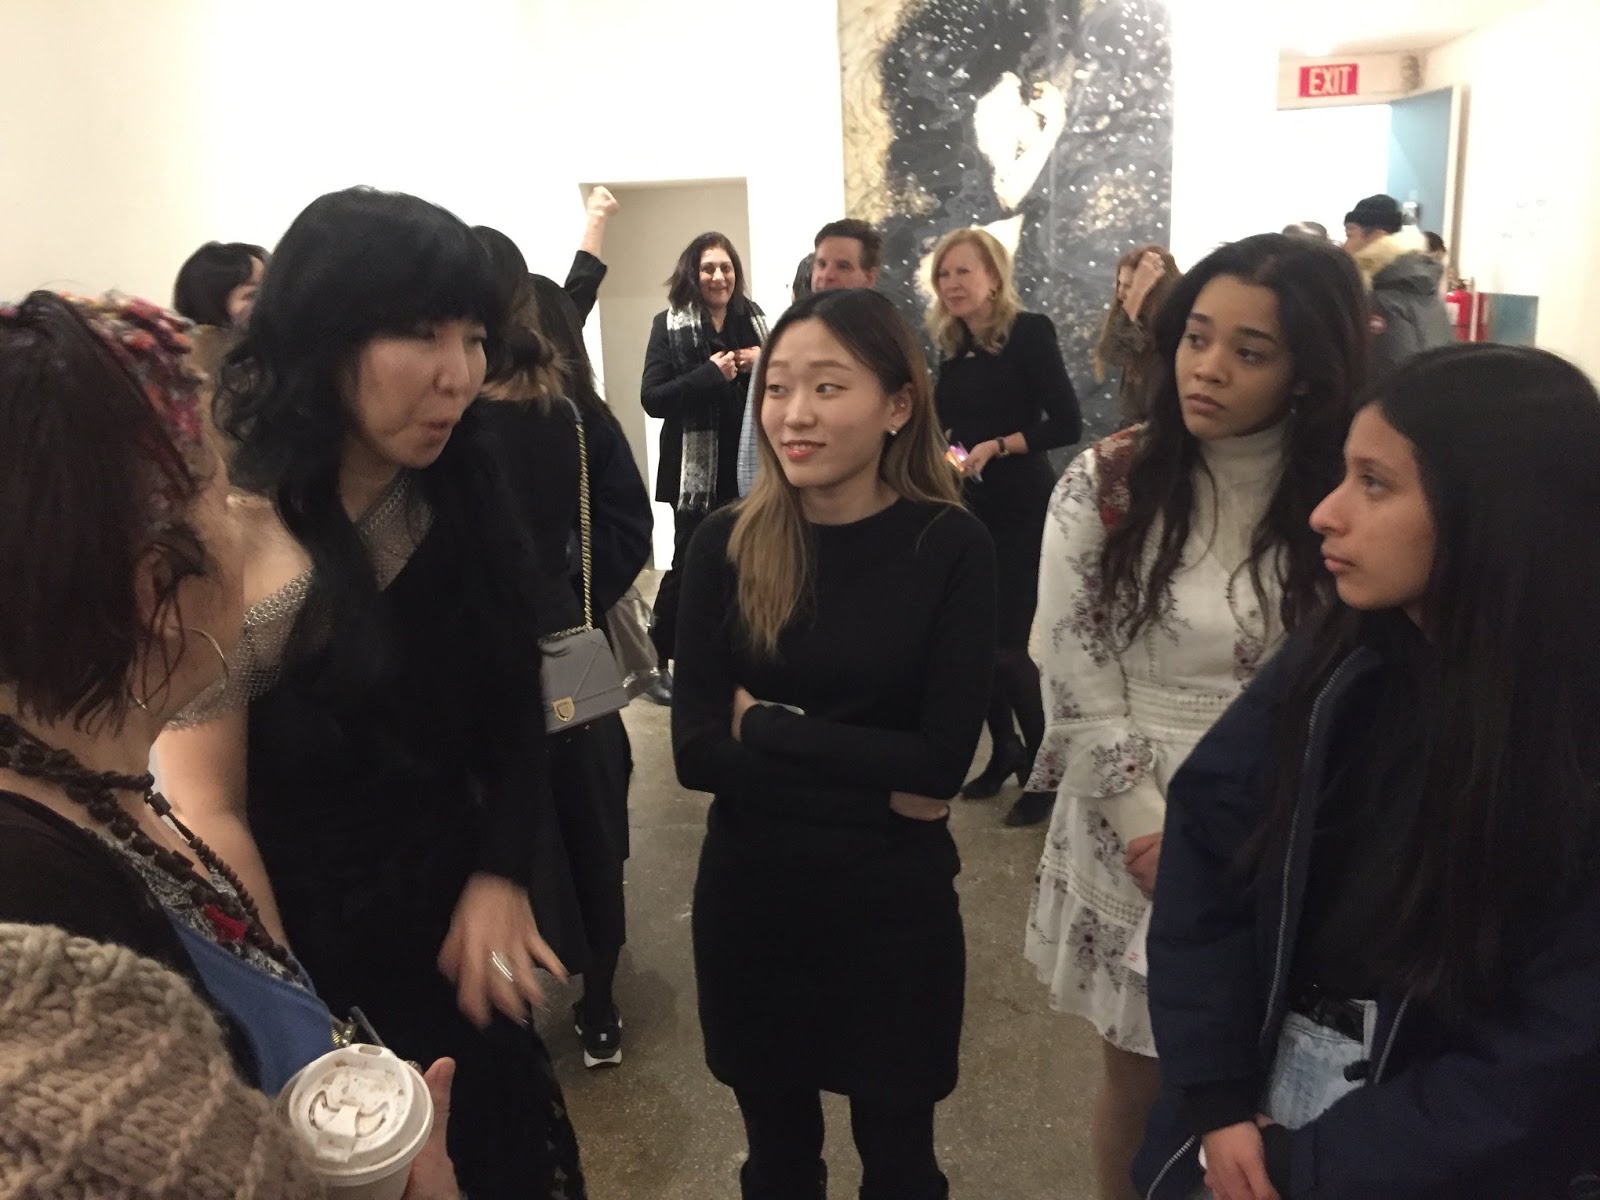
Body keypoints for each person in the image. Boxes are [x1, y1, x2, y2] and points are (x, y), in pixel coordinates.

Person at [155, 188, 585, 1199]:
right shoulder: (223, 541)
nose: (458, 373)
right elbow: (208, 811)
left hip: (454, 930)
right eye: (419, 334)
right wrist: (301, 1032)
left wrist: (501, 872)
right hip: (307, 953)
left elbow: (516, 704)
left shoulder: (459, 487)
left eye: (472, 337)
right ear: (321, 337)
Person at [0, 290, 460, 1198]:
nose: (248, 516)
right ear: (155, 588)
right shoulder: (41, 904)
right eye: (222, 494)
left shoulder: (90, 795)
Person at [1135, 344, 1600, 1199]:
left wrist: (1311, 1167)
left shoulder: (1566, 739)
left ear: (1490, 510)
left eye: (1375, 484)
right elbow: (1211, 847)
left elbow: (1554, 1053)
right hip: (1265, 1095)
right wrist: (1216, 1097)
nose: (1326, 512)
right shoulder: (1338, 664)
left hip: (1436, 1155)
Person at [1024, 233, 1368, 1200]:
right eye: (1196, 338)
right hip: (1138, 811)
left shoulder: (1344, 489)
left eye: (1249, 352)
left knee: (1293, 1083)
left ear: (1308, 371)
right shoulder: (1110, 480)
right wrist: (1154, 833)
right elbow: (1075, 666)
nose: (1207, 368)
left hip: (1297, 820)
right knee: (1147, 1079)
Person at [673, 287, 996, 1200]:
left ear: (898, 405)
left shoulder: (951, 546)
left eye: (827, 386)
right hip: (755, 902)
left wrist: (765, 727)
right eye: (777, 388)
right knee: (778, 1163)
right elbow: (695, 751)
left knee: (900, 1163)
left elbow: (941, 764)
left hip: (891, 913)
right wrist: (878, 781)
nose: (794, 414)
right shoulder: (726, 543)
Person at [474, 225, 649, 1070]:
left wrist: (563, 597)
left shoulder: (549, 422)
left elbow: (623, 527)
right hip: (554, 663)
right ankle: (590, 1004)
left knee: (551, 839)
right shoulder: (567, 420)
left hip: (523, 667)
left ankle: (563, 1004)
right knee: (579, 833)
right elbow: (626, 528)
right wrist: (573, 595)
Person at [927, 226, 1082, 827]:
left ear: (994, 276)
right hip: (970, 507)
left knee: (1009, 647)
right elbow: (948, 433)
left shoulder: (1029, 332)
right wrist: (954, 458)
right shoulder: (952, 346)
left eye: (963, 271)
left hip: (1020, 505)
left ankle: (1047, 770)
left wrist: (997, 445)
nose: (952, 283)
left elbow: (1066, 422)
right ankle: (1005, 752)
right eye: (944, 274)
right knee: (977, 646)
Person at [640, 231, 768, 707]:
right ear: (693, 274)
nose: (718, 276)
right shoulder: (668, 325)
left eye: (726, 267)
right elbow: (653, 399)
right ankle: (654, 660)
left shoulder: (755, 323)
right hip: (694, 477)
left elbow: (784, 383)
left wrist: (765, 362)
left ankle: (727, 660)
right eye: (708, 268)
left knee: (744, 568)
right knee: (688, 568)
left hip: (750, 470)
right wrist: (708, 376)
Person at [737, 218, 886, 497]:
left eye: (842, 266)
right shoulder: (781, 342)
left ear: (869, 277)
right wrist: (756, 502)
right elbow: (753, 442)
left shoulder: (884, 347)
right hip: (787, 502)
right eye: (821, 264)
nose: (826, 275)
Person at [1341, 194, 1451, 381]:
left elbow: (1386, 374)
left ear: (1378, 236)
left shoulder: (1383, 296)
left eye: (1350, 235)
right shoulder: (1423, 285)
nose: (1345, 246)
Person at [1095, 244, 1181, 423]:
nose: (1120, 294)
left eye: (1129, 286)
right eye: (1120, 284)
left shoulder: (1177, 328)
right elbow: (1112, 353)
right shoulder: (1138, 326)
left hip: (1166, 429)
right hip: (1137, 428)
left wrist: (1138, 290)